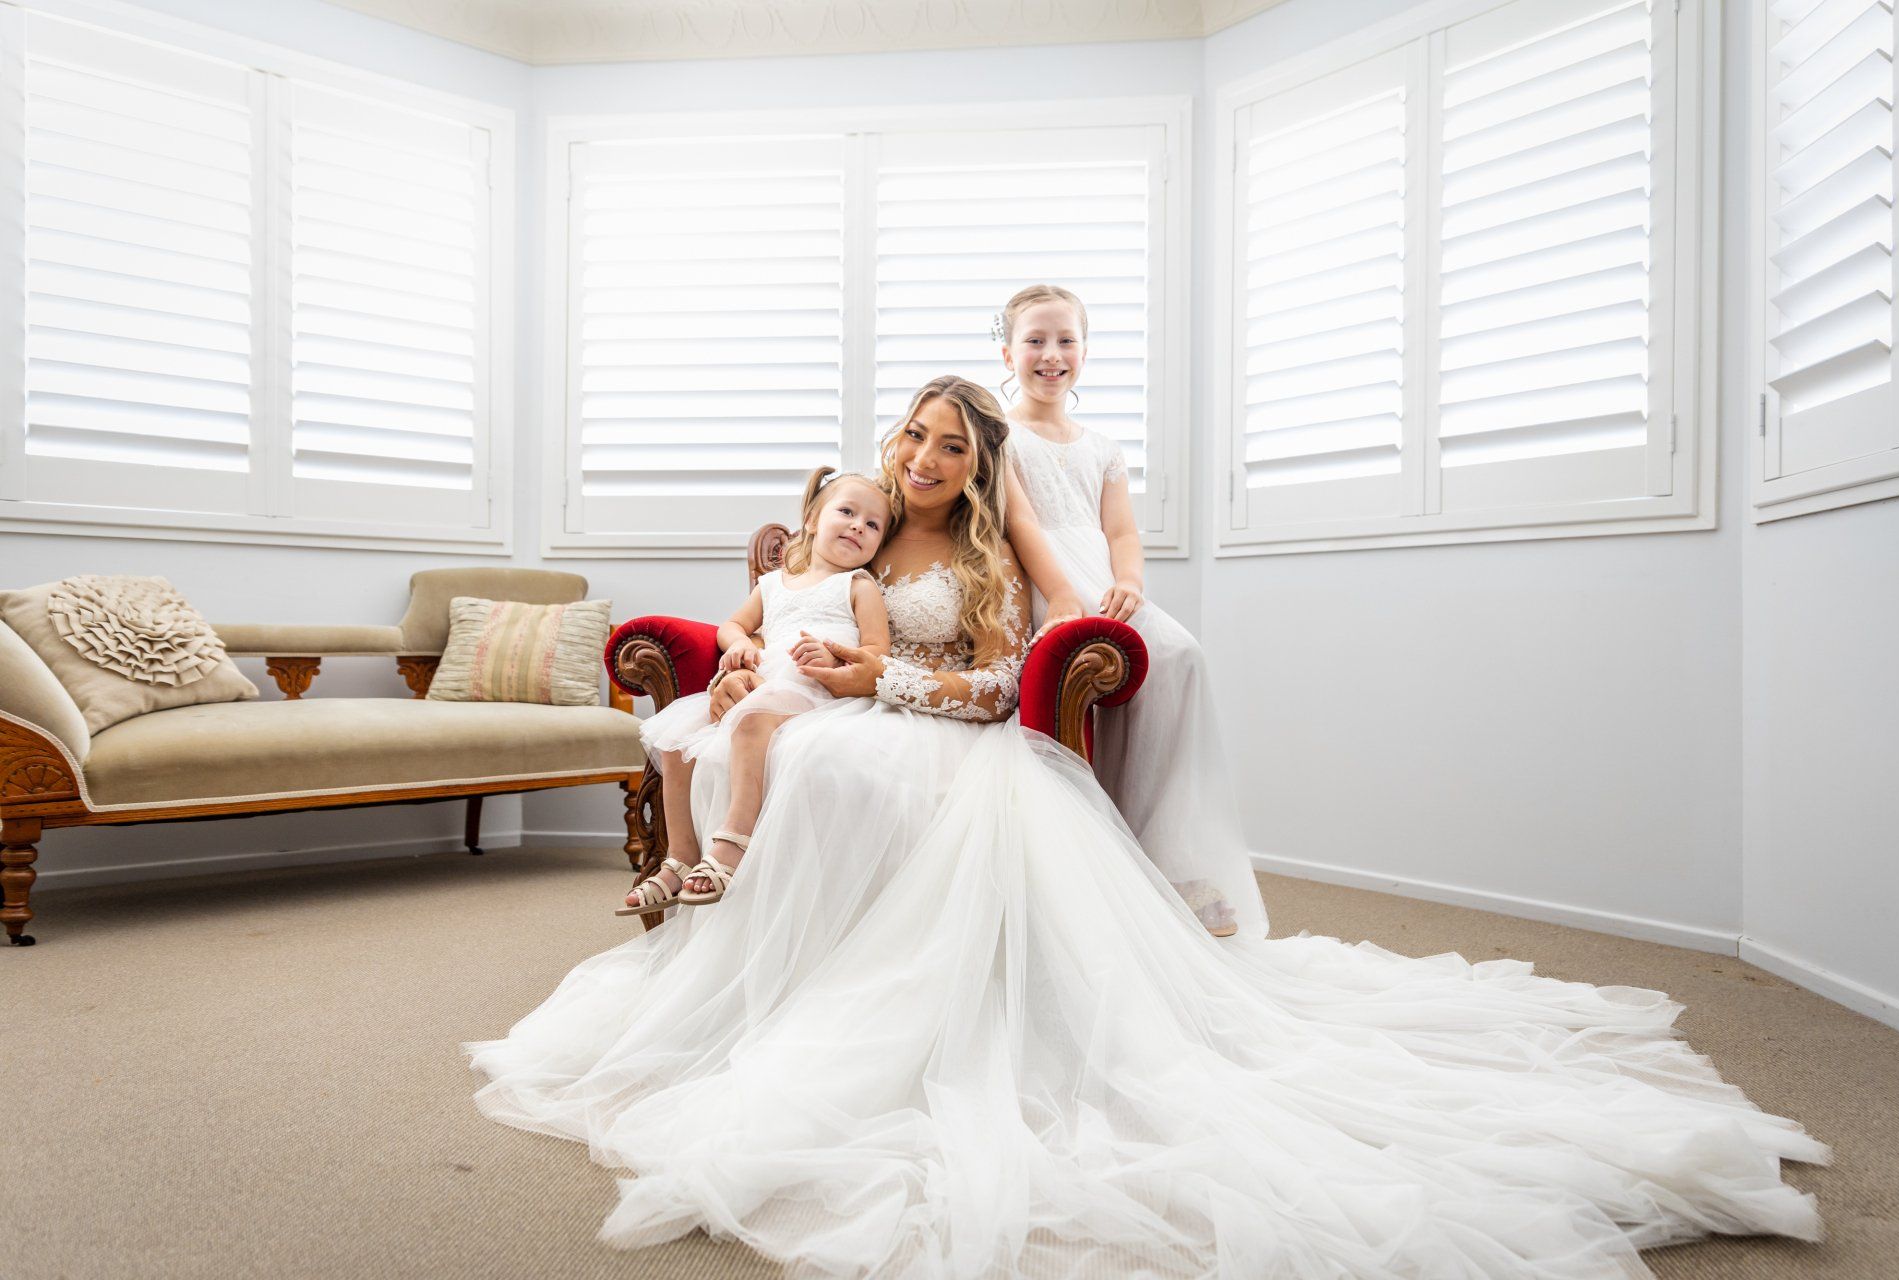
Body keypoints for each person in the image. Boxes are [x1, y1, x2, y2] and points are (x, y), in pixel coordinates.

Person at [468, 375, 1825, 1279]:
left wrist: (880, 679)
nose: (925, 460)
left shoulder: (984, 558)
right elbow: (774, 615)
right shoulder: (855, 536)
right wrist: (752, 659)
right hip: (826, 716)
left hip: (941, 738)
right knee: (793, 761)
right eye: (913, 438)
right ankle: (736, 953)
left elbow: (1000, 686)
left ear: (978, 462)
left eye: (952, 444)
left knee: (851, 776)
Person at [998, 283, 1266, 940]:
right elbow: (1022, 521)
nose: (1050, 354)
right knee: (1109, 657)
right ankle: (1122, 850)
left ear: (1085, 352)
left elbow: (1120, 531)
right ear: (1008, 353)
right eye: (1034, 340)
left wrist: (1132, 581)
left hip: (1101, 572)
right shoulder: (1001, 436)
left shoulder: (1100, 446)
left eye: (1066, 341)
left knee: (1180, 655)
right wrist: (1063, 593)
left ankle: (1167, 851)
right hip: (1049, 576)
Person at [618, 466, 892, 915]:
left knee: (751, 719)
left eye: (873, 524)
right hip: (765, 678)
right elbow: (732, 625)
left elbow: (877, 652)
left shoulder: (858, 586)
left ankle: (732, 843)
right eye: (847, 511)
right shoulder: (773, 585)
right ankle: (681, 856)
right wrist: (743, 644)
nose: (859, 525)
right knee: (675, 739)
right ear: (813, 520)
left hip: (816, 687)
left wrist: (835, 657)